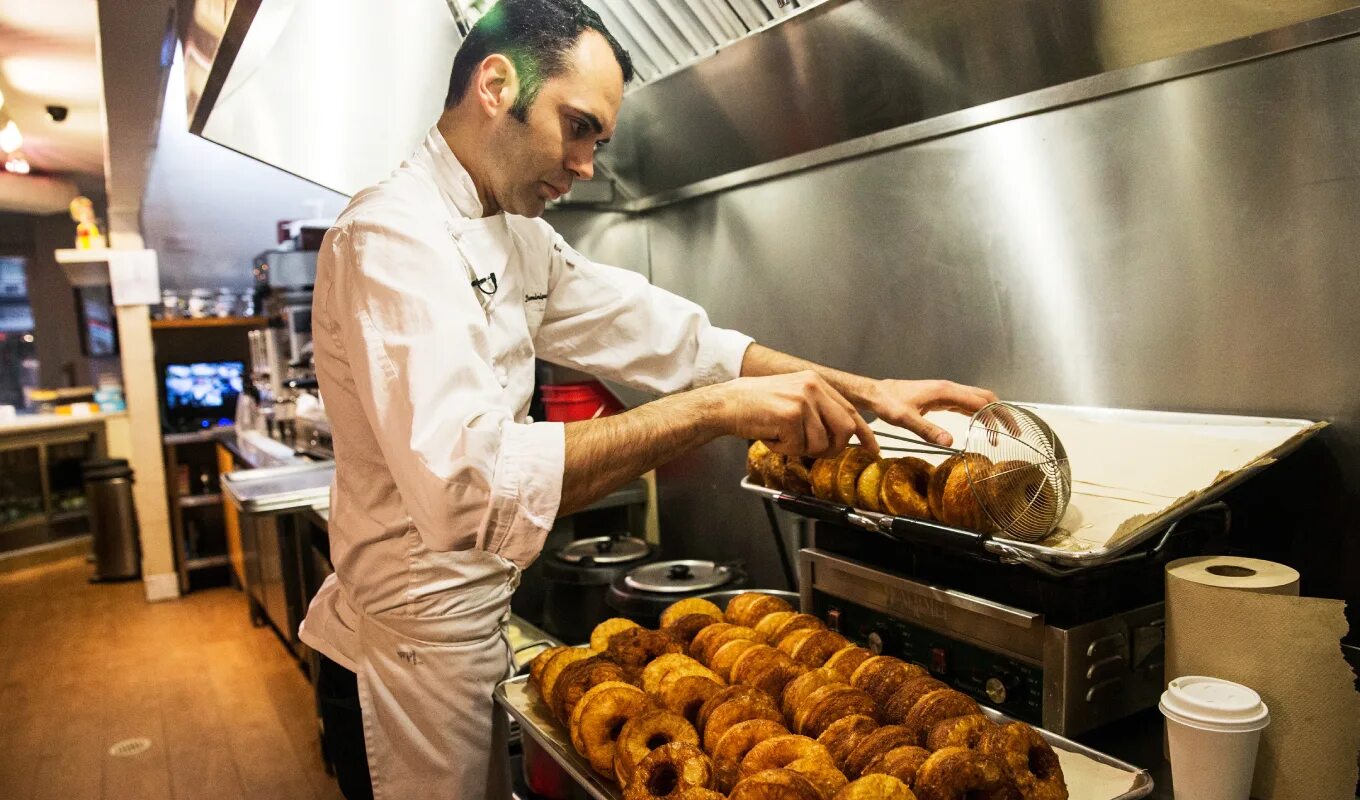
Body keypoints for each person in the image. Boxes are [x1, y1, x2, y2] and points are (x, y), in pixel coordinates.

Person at [299, 1, 998, 797]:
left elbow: (678, 340)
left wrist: (866, 391)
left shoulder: (517, 235)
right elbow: (471, 490)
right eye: (577, 127)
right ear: (496, 84)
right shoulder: (392, 239)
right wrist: (712, 413)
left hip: (470, 631)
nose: (587, 165)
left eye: (599, 140)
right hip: (407, 664)